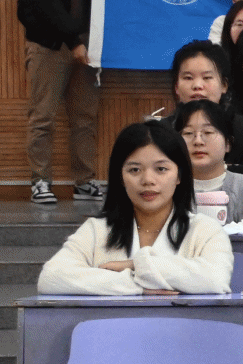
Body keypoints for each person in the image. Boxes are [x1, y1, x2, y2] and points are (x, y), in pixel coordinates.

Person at [38, 119, 232, 296]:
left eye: (161, 169)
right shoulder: (96, 230)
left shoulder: (205, 230)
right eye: (134, 170)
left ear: (179, 175)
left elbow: (216, 279)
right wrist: (137, 286)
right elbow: (51, 278)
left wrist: (135, 265)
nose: (147, 180)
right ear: (120, 177)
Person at [15, 0, 100, 205]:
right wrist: (73, 41)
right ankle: (40, 182)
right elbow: (43, 4)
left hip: (86, 43)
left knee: (85, 117)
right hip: (49, 46)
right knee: (43, 117)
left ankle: (85, 182)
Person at [157, 40, 243, 183]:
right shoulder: (161, 132)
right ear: (176, 87)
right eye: (188, 78)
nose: (197, 85)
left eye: (207, 77)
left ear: (224, 85)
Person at [173, 100, 243, 231]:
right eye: (188, 133)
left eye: (208, 132)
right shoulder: (167, 190)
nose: (198, 141)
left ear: (228, 143)